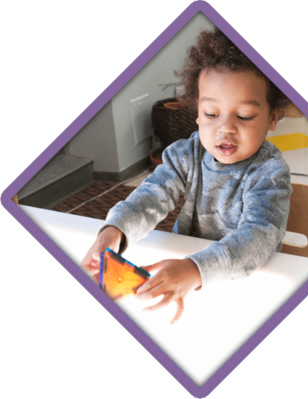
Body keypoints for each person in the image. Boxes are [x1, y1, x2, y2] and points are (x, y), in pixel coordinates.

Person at [81, 28, 293, 324]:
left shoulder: (269, 173)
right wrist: (114, 232)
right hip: (186, 277)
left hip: (244, 283)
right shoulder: (186, 154)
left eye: (243, 116)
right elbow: (150, 197)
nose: (225, 128)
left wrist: (195, 269)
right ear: (196, 111)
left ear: (273, 117)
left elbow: (258, 239)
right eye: (210, 114)